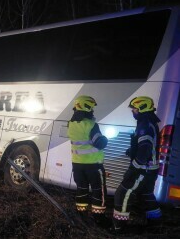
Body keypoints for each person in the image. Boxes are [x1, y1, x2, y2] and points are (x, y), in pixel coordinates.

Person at [111, 96, 162, 234]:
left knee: (122, 193)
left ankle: (119, 228)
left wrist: (133, 169)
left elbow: (145, 149)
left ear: (142, 108)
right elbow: (145, 145)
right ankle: (155, 225)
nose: (133, 111)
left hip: (143, 170)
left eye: (134, 108)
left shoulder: (145, 124)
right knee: (146, 195)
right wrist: (132, 150)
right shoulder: (148, 122)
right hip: (150, 170)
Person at [67, 95, 109, 227]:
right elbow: (99, 143)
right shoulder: (92, 125)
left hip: (77, 165)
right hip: (93, 166)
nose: (92, 111)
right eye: (91, 108)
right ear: (86, 107)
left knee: (82, 189)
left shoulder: (71, 124)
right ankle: (99, 218)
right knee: (99, 190)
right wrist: (106, 138)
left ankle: (81, 216)